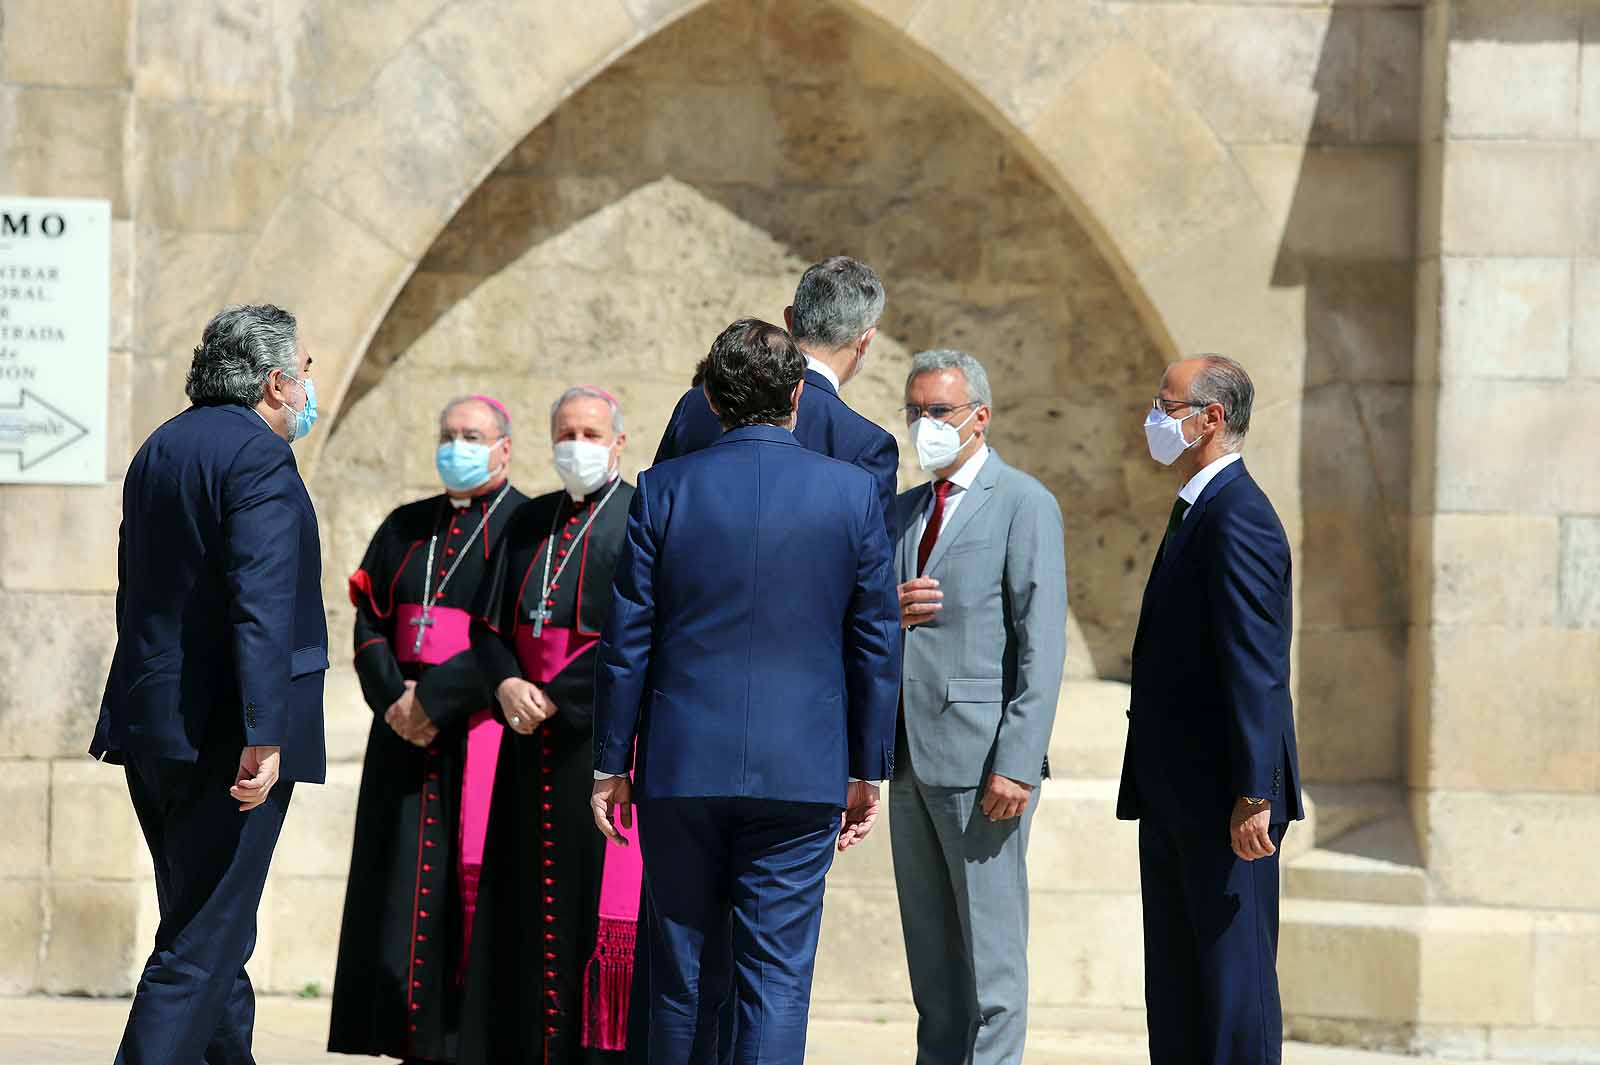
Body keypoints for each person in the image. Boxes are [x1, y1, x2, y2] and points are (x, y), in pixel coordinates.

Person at [592, 320, 899, 1065]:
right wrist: (869, 766)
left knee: (679, 975)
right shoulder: (853, 492)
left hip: (683, 763)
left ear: (712, 398)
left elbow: (628, 635)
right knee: (777, 978)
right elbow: (875, 641)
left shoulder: (663, 488)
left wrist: (610, 761)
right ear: (798, 395)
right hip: (803, 768)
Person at [92, 304, 328, 1065]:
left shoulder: (161, 447)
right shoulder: (258, 457)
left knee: (209, 928)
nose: (307, 389)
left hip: (155, 725)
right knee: (200, 944)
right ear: (274, 382)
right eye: (304, 373)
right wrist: (265, 731)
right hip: (227, 734)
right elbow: (259, 598)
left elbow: (135, 591)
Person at [1116, 355, 1304, 1065]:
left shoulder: (1239, 518)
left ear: (1211, 418)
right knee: (1178, 991)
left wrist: (1256, 791)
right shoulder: (1199, 508)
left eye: (1166, 404)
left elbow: (1257, 666)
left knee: (1234, 995)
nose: (1154, 417)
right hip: (1177, 795)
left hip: (1228, 802)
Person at [327, 395, 526, 1064]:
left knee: (463, 895)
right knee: (396, 887)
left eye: (471, 435)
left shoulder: (526, 526)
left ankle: (458, 1040)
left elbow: (515, 638)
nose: (456, 445)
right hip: (401, 738)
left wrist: (433, 699)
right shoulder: (405, 525)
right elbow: (367, 620)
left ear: (504, 448)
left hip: (478, 736)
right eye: (447, 434)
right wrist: (392, 698)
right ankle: (402, 1033)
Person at [889, 349, 1067, 1065]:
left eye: (940, 411)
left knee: (991, 962)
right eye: (915, 411)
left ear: (980, 417)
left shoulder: (1024, 502)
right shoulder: (900, 510)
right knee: (933, 967)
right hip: (905, 762)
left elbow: (1042, 643)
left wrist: (1017, 762)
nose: (925, 424)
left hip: (983, 764)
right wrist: (884, 609)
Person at [457, 386, 637, 1065]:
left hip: (594, 742)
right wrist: (506, 682)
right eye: (566, 432)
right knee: (523, 908)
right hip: (523, 739)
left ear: (618, 442)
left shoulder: (640, 514)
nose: (577, 445)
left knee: (586, 909)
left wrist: (559, 692)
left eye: (591, 433)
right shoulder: (527, 521)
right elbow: (485, 624)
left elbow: (640, 633)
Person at [654, 254, 897, 539]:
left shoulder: (694, 403)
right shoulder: (866, 444)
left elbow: (655, 522)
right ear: (865, 340)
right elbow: (872, 568)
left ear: (789, 320)